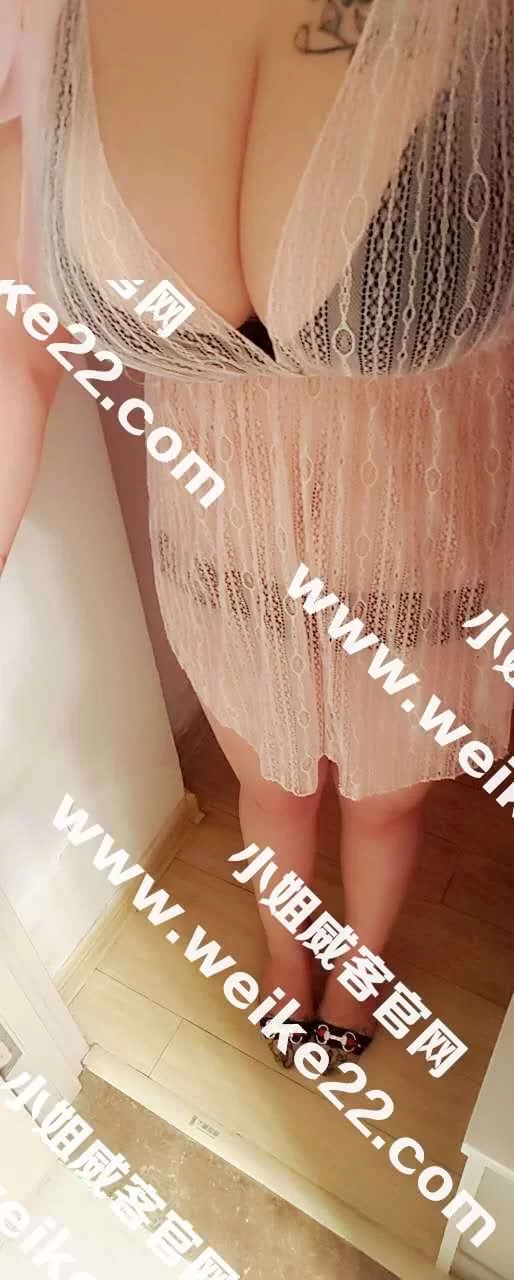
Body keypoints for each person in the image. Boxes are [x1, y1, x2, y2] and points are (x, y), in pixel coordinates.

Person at [1, 0, 513, 1072]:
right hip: (222, 548)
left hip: (416, 535)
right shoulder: (48, 28)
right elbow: (17, 351)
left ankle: (361, 968)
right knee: (270, 789)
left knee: (382, 804)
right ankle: (288, 960)